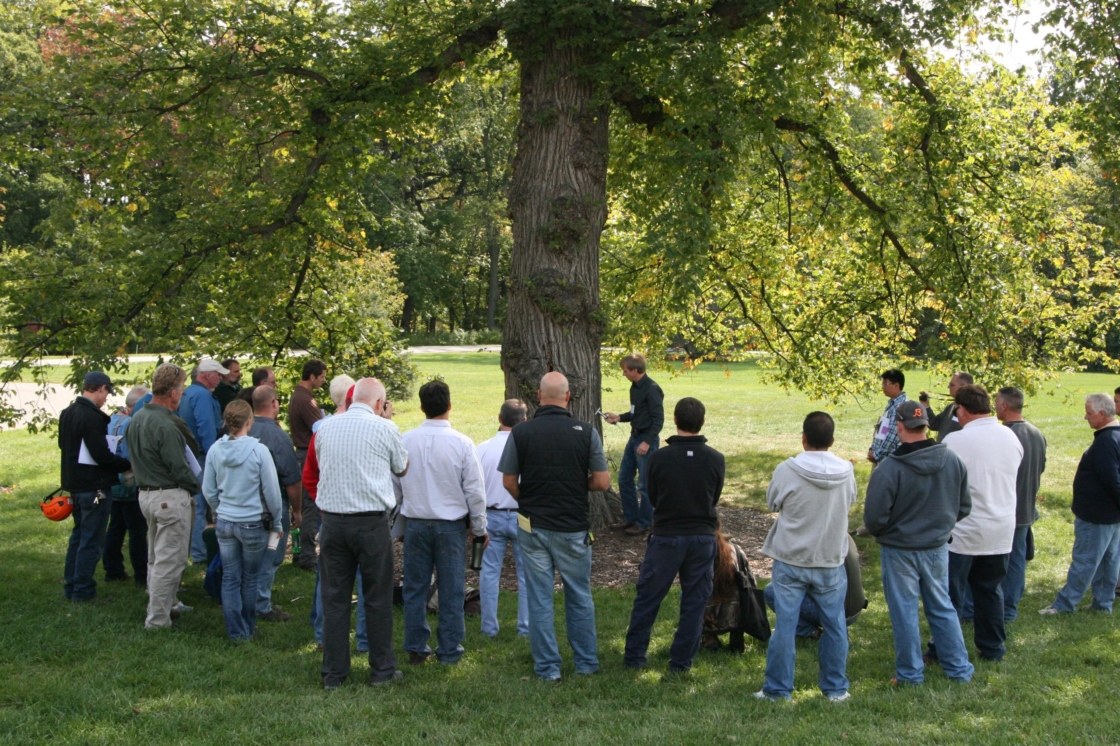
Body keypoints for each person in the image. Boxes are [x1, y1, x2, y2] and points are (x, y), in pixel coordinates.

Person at [499, 372, 611, 682]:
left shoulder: (521, 433)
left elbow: (508, 481)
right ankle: (587, 663)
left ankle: (547, 668)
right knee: (579, 594)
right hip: (573, 527)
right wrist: (578, 485)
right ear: (568, 396)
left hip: (532, 526)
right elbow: (602, 482)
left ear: (538, 396)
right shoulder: (586, 432)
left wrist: (529, 497)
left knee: (539, 597)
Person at [304, 377, 408, 689]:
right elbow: (402, 467)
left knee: (334, 598)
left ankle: (333, 674)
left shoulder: (325, 428)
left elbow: (322, 466)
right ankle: (381, 670)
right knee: (377, 597)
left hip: (333, 522)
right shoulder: (385, 428)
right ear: (379, 404)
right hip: (371, 523)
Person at [864, 400, 974, 685]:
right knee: (942, 607)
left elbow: (875, 518)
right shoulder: (952, 461)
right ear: (926, 425)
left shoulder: (889, 469)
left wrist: (887, 532)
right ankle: (959, 669)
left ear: (900, 426)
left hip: (899, 550)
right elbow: (963, 507)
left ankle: (910, 674)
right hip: (937, 547)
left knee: (904, 612)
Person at [757, 412, 855, 702]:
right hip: (830, 559)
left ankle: (777, 690)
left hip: (791, 557)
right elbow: (850, 501)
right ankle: (836, 689)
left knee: (785, 626)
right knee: (835, 625)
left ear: (803, 438)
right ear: (832, 440)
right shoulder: (847, 470)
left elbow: (772, 502)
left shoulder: (787, 470)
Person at [624, 397, 724, 673]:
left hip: (667, 535)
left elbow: (651, 494)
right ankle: (681, 662)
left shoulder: (659, 458)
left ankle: (634, 656)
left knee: (648, 597)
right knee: (694, 601)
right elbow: (713, 497)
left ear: (675, 420)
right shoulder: (715, 458)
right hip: (702, 537)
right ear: (702, 422)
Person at [397, 380, 488, 666]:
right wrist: (480, 527)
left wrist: (399, 524)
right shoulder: (461, 443)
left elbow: (396, 486)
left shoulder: (405, 440)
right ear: (449, 406)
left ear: (422, 407)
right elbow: (474, 490)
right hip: (450, 526)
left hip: (415, 522)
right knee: (451, 588)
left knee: (415, 587)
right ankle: (448, 649)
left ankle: (415, 647)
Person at [935, 384, 1022, 663]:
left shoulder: (955, 442)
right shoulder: (1010, 437)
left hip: (965, 529)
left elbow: (944, 486)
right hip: (1001, 526)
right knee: (990, 590)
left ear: (961, 410)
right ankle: (992, 647)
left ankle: (944, 648)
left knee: (950, 594)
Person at [126, 363, 201, 629]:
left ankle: (168, 605)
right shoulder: (165, 425)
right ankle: (157, 620)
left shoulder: (137, 417)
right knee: (169, 560)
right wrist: (196, 486)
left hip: (147, 494)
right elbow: (179, 467)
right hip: (168, 495)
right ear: (172, 392)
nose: (181, 395)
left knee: (158, 556)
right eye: (181, 390)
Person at [203, 400, 283, 641]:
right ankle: (247, 627)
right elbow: (272, 493)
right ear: (249, 421)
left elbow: (208, 490)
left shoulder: (215, 449)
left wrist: (221, 509)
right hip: (252, 523)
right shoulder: (259, 451)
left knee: (230, 576)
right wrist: (277, 521)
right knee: (250, 577)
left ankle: (235, 631)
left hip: (226, 522)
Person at [1040, 393, 1120, 615]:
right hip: (1112, 515)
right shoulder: (1116, 436)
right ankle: (1103, 604)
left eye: (1089, 413)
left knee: (1086, 560)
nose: (1086, 417)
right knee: (1109, 560)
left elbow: (1111, 479)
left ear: (1103, 414)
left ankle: (1065, 605)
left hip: (1097, 514)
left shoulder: (1106, 441)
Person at [58, 371, 132, 602]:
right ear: (100, 388)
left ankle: (72, 584)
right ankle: (83, 590)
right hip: (94, 486)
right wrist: (125, 464)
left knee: (79, 536)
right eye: (107, 392)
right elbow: (100, 454)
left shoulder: (68, 412)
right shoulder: (92, 416)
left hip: (76, 484)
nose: (107, 398)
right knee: (91, 540)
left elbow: (63, 444)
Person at [248, 385, 304, 622]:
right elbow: (292, 480)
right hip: (272, 509)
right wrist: (297, 510)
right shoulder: (278, 436)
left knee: (247, 558)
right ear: (274, 404)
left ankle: (247, 599)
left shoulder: (240, 429)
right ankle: (261, 604)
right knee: (271, 555)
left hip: (241, 505)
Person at [477, 399, 530, 639]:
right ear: (525, 420)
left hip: (491, 515)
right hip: (522, 515)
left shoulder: (483, 448)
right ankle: (525, 628)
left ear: (499, 418)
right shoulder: (529, 447)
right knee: (527, 573)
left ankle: (489, 627)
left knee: (488, 572)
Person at [995, 387, 1047, 621]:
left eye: (996, 401)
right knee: (1017, 560)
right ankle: (1010, 608)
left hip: (1005, 507)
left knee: (1002, 561)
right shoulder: (1037, 433)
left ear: (1004, 405)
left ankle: (1004, 610)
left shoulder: (1004, 435)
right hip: (1026, 506)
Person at [605, 354, 665, 536]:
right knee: (624, 478)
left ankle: (644, 522)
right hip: (634, 437)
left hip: (646, 439)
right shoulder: (634, 387)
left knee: (645, 485)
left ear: (635, 370)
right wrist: (619, 417)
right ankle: (630, 518)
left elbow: (658, 419)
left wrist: (647, 442)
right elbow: (635, 413)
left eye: (625, 370)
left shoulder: (652, 389)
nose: (623, 374)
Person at [762, 534, 866, 640]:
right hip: (855, 609)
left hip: (836, 611)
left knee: (772, 591)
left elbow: (798, 581)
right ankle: (837, 630)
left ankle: (809, 631)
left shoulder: (815, 542)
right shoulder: (842, 534)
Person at [179, 358, 229, 564]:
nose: (220, 377)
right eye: (218, 374)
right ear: (207, 375)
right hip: (201, 457)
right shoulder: (202, 396)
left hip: (188, 456)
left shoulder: (188, 392)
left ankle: (195, 551)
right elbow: (207, 428)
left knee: (195, 505)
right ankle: (200, 554)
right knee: (201, 505)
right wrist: (215, 459)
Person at [102, 385, 150, 586]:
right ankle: (142, 574)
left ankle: (113, 569)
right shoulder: (132, 424)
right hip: (130, 484)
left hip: (112, 484)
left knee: (116, 527)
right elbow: (132, 455)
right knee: (137, 530)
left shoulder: (109, 420)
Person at [289, 358, 327, 570]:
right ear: (312, 376)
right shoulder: (306, 401)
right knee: (310, 507)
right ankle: (308, 557)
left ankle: (300, 554)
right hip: (307, 454)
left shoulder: (300, 396)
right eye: (321, 376)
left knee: (305, 506)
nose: (323, 380)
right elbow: (319, 430)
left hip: (302, 453)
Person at [919, 372, 973, 443]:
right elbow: (934, 424)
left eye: (952, 385)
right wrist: (925, 405)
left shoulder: (971, 410)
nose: (948, 387)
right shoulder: (951, 407)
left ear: (963, 387)